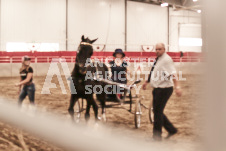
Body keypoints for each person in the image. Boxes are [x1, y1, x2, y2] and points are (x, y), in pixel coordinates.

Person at [142, 43, 182, 141]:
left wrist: (177, 87)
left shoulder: (167, 60)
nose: (157, 51)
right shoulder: (159, 59)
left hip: (164, 89)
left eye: (159, 49)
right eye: (156, 49)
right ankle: (171, 130)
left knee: (157, 113)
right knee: (157, 111)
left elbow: (173, 74)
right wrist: (147, 81)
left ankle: (156, 137)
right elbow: (153, 71)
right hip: (157, 89)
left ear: (164, 49)